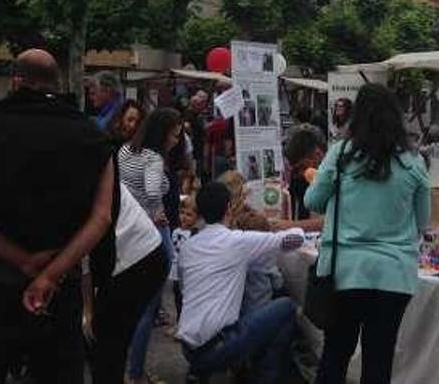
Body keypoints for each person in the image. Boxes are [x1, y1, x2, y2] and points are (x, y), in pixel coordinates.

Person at [0, 49, 115, 383]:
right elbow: (102, 218)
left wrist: (23, 262)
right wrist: (49, 275)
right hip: (61, 284)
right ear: (59, 82)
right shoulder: (94, 138)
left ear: (16, 81)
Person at [306, 83, 430, 384]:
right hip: (394, 274)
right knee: (379, 361)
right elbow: (422, 223)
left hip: (344, 272)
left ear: (357, 115)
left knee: (335, 354)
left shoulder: (341, 154)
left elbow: (312, 201)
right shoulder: (414, 162)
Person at [177, 182, 304, 382]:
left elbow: (184, 290)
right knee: (286, 306)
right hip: (219, 347)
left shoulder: (188, 248)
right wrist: (283, 226)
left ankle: (204, 371)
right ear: (228, 208)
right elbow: (295, 240)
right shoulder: (237, 242)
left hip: (188, 348)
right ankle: (263, 377)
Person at [118, 107, 182, 384]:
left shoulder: (126, 151)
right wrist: (155, 211)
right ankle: (136, 373)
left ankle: (126, 367)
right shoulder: (154, 159)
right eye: (175, 134)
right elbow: (153, 189)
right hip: (152, 232)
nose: (177, 140)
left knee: (129, 304)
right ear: (163, 133)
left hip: (125, 229)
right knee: (149, 305)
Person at [82, 183, 167, 384]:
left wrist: (88, 308)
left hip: (132, 259)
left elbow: (85, 246)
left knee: (104, 346)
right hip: (144, 250)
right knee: (107, 346)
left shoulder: (76, 172)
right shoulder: (92, 157)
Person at [218, 171, 285, 314]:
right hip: (255, 309)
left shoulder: (220, 232)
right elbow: (277, 281)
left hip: (228, 311)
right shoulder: (252, 232)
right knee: (288, 305)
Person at [277, 124, 326, 232]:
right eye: (295, 170)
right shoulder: (299, 181)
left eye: (302, 166)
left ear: (317, 154)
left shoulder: (337, 176)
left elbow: (330, 221)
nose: (300, 173)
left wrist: (288, 226)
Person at [186, 92, 209, 183]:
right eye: (202, 103)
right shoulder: (191, 115)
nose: (204, 105)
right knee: (196, 174)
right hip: (195, 149)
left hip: (198, 148)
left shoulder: (198, 115)